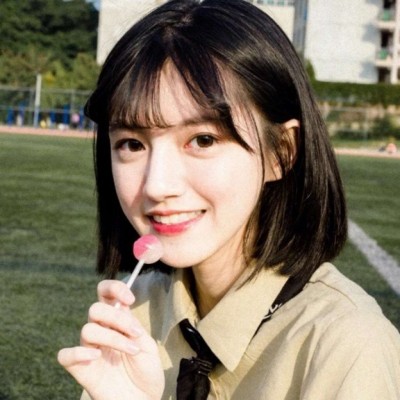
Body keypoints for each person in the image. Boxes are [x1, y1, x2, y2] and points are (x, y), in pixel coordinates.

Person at [57, 0, 400, 399]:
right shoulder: (136, 311)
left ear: (281, 152)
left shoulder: (348, 347)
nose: (156, 185)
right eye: (132, 144)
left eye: (203, 140)